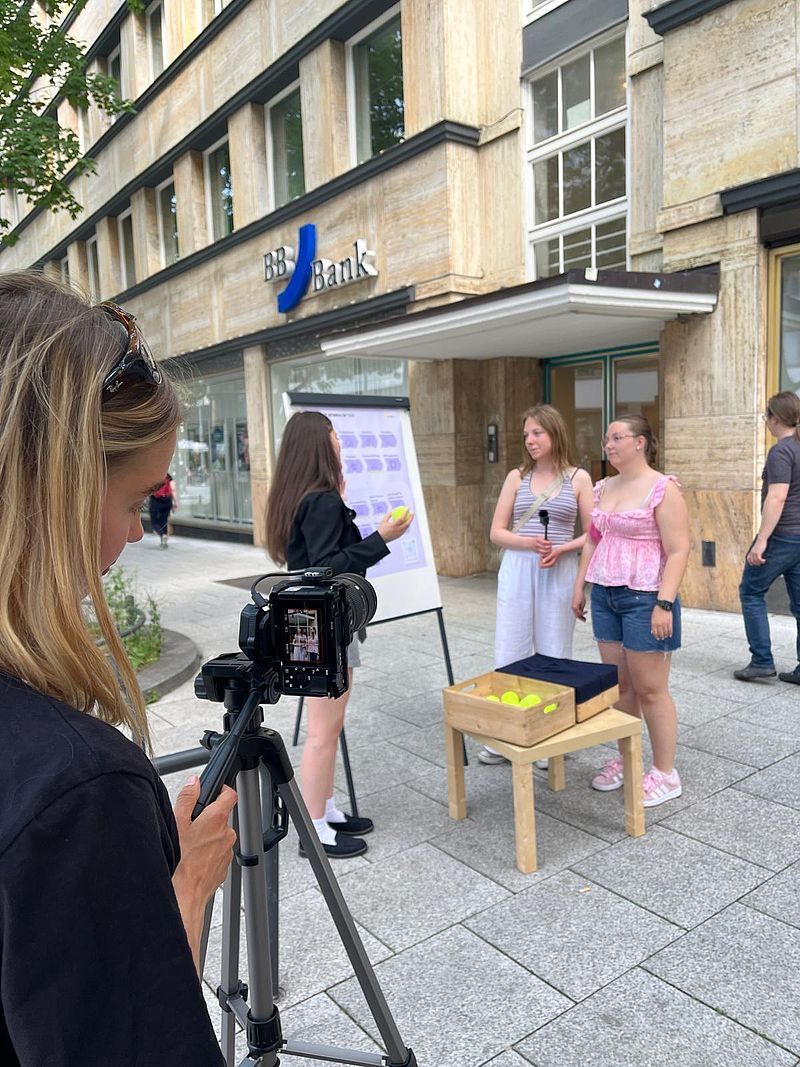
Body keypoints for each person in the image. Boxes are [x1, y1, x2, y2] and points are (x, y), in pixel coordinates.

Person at [0, 274, 237, 1064]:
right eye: (135, 501)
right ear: (55, 488)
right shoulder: (76, 788)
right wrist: (188, 885)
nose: (136, 534)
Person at [264, 411, 414, 858]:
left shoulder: (303, 497)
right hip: (323, 623)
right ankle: (313, 829)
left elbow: (317, 558)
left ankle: (324, 809)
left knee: (327, 726)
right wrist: (381, 537)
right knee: (323, 731)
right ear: (320, 442)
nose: (340, 441)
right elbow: (329, 566)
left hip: (308, 621)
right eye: (333, 434)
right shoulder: (322, 500)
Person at [571, 415, 690, 808]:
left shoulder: (662, 488)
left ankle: (665, 773)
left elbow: (679, 550)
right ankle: (627, 758)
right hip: (606, 595)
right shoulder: (603, 487)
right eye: (606, 439)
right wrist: (580, 586)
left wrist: (664, 604)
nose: (608, 444)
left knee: (651, 689)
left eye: (617, 437)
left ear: (640, 442)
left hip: (646, 598)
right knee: (620, 685)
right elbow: (593, 539)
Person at [479, 403, 593, 765]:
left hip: (559, 568)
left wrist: (562, 549)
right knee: (510, 646)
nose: (530, 440)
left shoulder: (579, 478)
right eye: (526, 434)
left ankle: (550, 735)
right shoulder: (516, 477)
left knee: (555, 650)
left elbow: (594, 533)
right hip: (519, 566)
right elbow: (496, 532)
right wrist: (528, 542)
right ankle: (505, 733)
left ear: (555, 433)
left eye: (537, 433)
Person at [735, 391, 800, 684]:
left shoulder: (782, 450)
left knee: (751, 591)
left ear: (775, 418)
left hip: (782, 535)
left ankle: (761, 661)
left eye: (766, 416)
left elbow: (777, 497)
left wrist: (762, 540)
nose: (766, 422)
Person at [149, 471, 178, 548]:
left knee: (154, 523)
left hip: (156, 501)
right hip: (167, 501)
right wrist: (176, 502)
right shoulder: (168, 477)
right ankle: (164, 539)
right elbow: (173, 489)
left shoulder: (154, 476)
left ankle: (162, 535)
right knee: (164, 521)